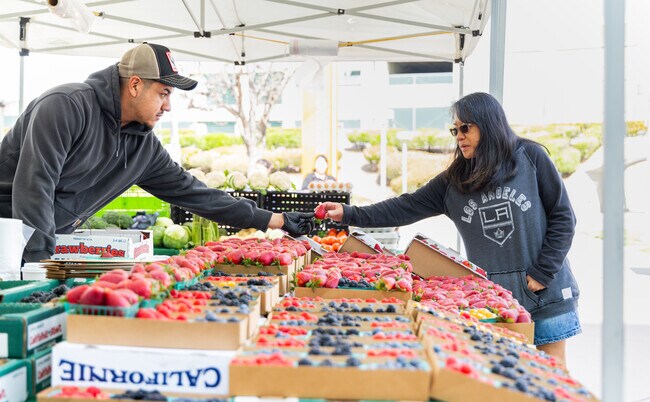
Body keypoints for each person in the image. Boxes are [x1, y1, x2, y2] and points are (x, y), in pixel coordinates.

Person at [318, 92, 580, 364]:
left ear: (489, 124)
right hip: (492, 297)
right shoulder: (455, 181)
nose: (459, 136)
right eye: (455, 129)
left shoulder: (530, 158)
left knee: (552, 371)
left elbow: (563, 217)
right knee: (506, 374)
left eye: (466, 128)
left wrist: (543, 272)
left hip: (544, 288)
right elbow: (404, 206)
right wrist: (349, 213)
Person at [0, 42, 313, 262]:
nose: (168, 105)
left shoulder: (143, 147)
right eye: (163, 93)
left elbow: (195, 194)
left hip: (47, 246)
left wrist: (274, 219)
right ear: (135, 85)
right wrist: (39, 262)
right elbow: (34, 185)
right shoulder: (66, 106)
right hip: (9, 237)